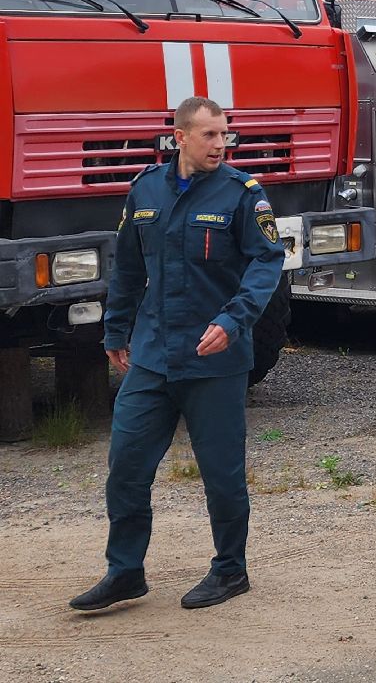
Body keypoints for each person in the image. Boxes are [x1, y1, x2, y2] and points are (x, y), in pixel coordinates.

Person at [69, 97, 285, 612]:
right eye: (209, 135)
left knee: (222, 474)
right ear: (180, 137)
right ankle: (125, 572)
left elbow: (266, 264)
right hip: (152, 355)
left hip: (214, 359)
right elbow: (127, 266)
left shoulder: (242, 194)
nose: (220, 145)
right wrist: (115, 330)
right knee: (126, 466)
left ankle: (230, 570)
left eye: (225, 135)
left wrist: (233, 321)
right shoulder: (145, 189)